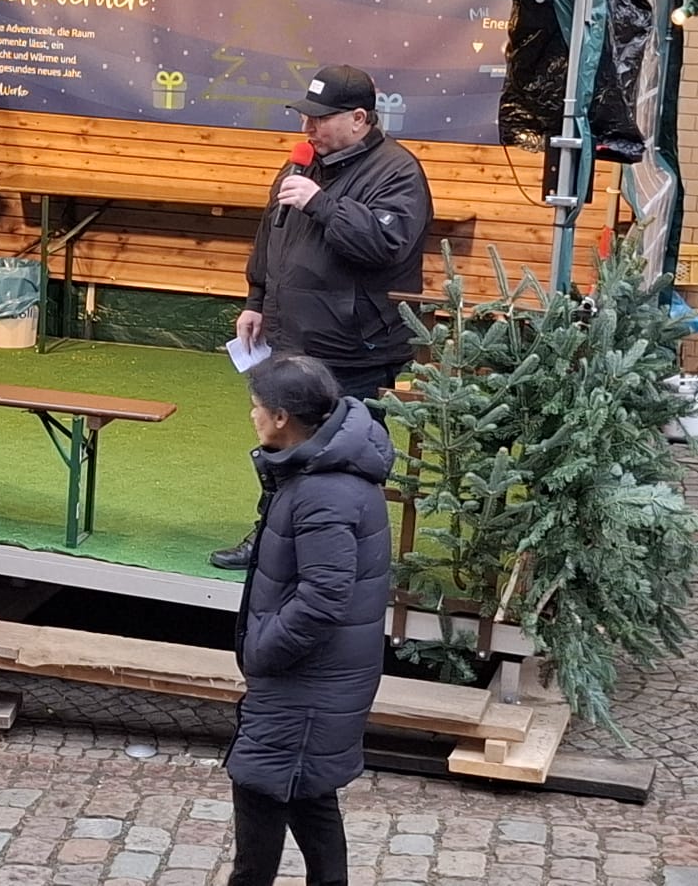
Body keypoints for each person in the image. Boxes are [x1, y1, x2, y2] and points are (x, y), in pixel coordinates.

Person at [213, 63, 433, 571]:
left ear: (359, 118)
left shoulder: (397, 172)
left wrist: (324, 205)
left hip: (355, 349)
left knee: (347, 454)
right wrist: (255, 299)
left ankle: (343, 554)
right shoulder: (300, 166)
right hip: (290, 336)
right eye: (305, 118)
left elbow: (386, 245)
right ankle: (270, 538)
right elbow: (272, 236)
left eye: (320, 119)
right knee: (281, 442)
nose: (307, 130)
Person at [225, 354, 391, 886]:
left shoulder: (323, 491)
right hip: (316, 682)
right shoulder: (318, 470)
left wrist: (263, 649)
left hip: (304, 684)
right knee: (309, 794)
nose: (251, 417)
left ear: (280, 418)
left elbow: (324, 597)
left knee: (260, 794)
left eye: (256, 408)